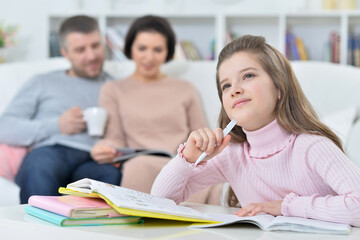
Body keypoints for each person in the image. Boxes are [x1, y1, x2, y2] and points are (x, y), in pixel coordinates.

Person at [151, 35, 360, 226]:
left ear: (279, 87)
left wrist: (284, 207)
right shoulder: (231, 155)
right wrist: (186, 159)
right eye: (225, 86)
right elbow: (159, 201)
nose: (234, 90)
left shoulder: (312, 147)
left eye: (248, 76)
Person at [90, 15, 222, 201]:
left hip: (181, 161)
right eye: (142, 48)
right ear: (130, 48)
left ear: (167, 52)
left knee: (214, 175)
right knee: (139, 166)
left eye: (157, 49)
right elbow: (114, 138)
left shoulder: (185, 89)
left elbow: (200, 133)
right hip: (141, 163)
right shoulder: (113, 89)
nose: (149, 57)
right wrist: (104, 149)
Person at [0, 15, 121, 204]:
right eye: (80, 50)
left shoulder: (116, 87)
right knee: (39, 168)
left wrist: (114, 149)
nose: (91, 56)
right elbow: (4, 127)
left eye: (95, 46)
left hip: (94, 158)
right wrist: (56, 125)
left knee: (111, 176)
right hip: (51, 152)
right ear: (65, 53)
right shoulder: (42, 82)